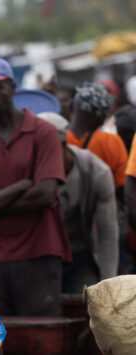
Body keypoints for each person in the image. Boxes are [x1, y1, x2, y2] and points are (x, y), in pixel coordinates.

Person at [0, 57, 70, 318]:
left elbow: (45, 195)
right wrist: (20, 187)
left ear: (12, 87)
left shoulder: (43, 133)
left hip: (40, 252)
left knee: (41, 343)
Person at [38, 112, 118, 291]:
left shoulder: (95, 171)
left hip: (79, 255)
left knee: (88, 303)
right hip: (40, 258)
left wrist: (109, 285)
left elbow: (108, 234)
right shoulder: (30, 170)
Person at [67, 83, 128, 204]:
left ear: (72, 107)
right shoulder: (112, 141)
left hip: (67, 215)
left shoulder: (58, 139)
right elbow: (123, 185)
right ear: (101, 118)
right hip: (104, 214)